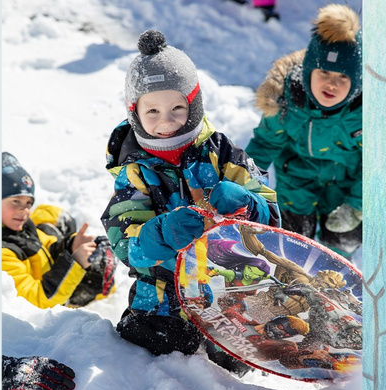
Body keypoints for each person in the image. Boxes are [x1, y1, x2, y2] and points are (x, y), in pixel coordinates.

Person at [101, 30, 276, 364]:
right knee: (156, 344)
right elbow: (125, 242)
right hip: (164, 285)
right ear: (135, 112)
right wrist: (160, 234)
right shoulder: (135, 170)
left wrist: (246, 203)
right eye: (152, 111)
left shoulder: (222, 153)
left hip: (229, 281)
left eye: (177, 107)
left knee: (238, 350)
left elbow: (273, 216)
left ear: (194, 105)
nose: (165, 121)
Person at [249, 5, 364, 254]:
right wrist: (243, 183)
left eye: (343, 77)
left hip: (345, 189)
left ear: (357, 83)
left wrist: (357, 204)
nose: (332, 84)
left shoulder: (364, 114)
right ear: (309, 71)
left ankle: (336, 277)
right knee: (293, 247)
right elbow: (264, 145)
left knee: (340, 240)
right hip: (296, 185)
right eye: (323, 72)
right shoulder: (287, 102)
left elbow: (377, 166)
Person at [0, 153, 114, 309]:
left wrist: (70, 246)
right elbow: (37, 301)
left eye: (28, 203)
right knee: (93, 281)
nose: (24, 210)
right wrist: (76, 262)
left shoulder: (22, 228)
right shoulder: (2, 252)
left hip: (47, 275)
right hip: (50, 297)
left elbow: (44, 244)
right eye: (15, 201)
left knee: (57, 222)